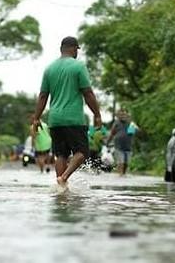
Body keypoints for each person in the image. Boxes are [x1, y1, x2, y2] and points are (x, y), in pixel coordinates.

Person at [32, 36, 102, 189]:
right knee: (82, 152)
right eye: (77, 50)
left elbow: (43, 96)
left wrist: (36, 118)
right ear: (74, 48)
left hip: (55, 120)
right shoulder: (78, 66)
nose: (77, 53)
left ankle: (61, 187)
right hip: (73, 119)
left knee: (61, 154)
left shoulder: (49, 69)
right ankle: (64, 177)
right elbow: (88, 92)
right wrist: (97, 114)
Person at [107, 108, 138, 176]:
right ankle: (120, 175)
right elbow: (112, 133)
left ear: (127, 115)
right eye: (120, 115)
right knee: (121, 162)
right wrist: (108, 142)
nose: (122, 116)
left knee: (126, 163)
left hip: (128, 146)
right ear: (118, 116)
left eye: (124, 114)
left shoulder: (131, 123)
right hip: (118, 146)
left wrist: (135, 129)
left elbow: (137, 131)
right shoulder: (116, 123)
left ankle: (124, 174)